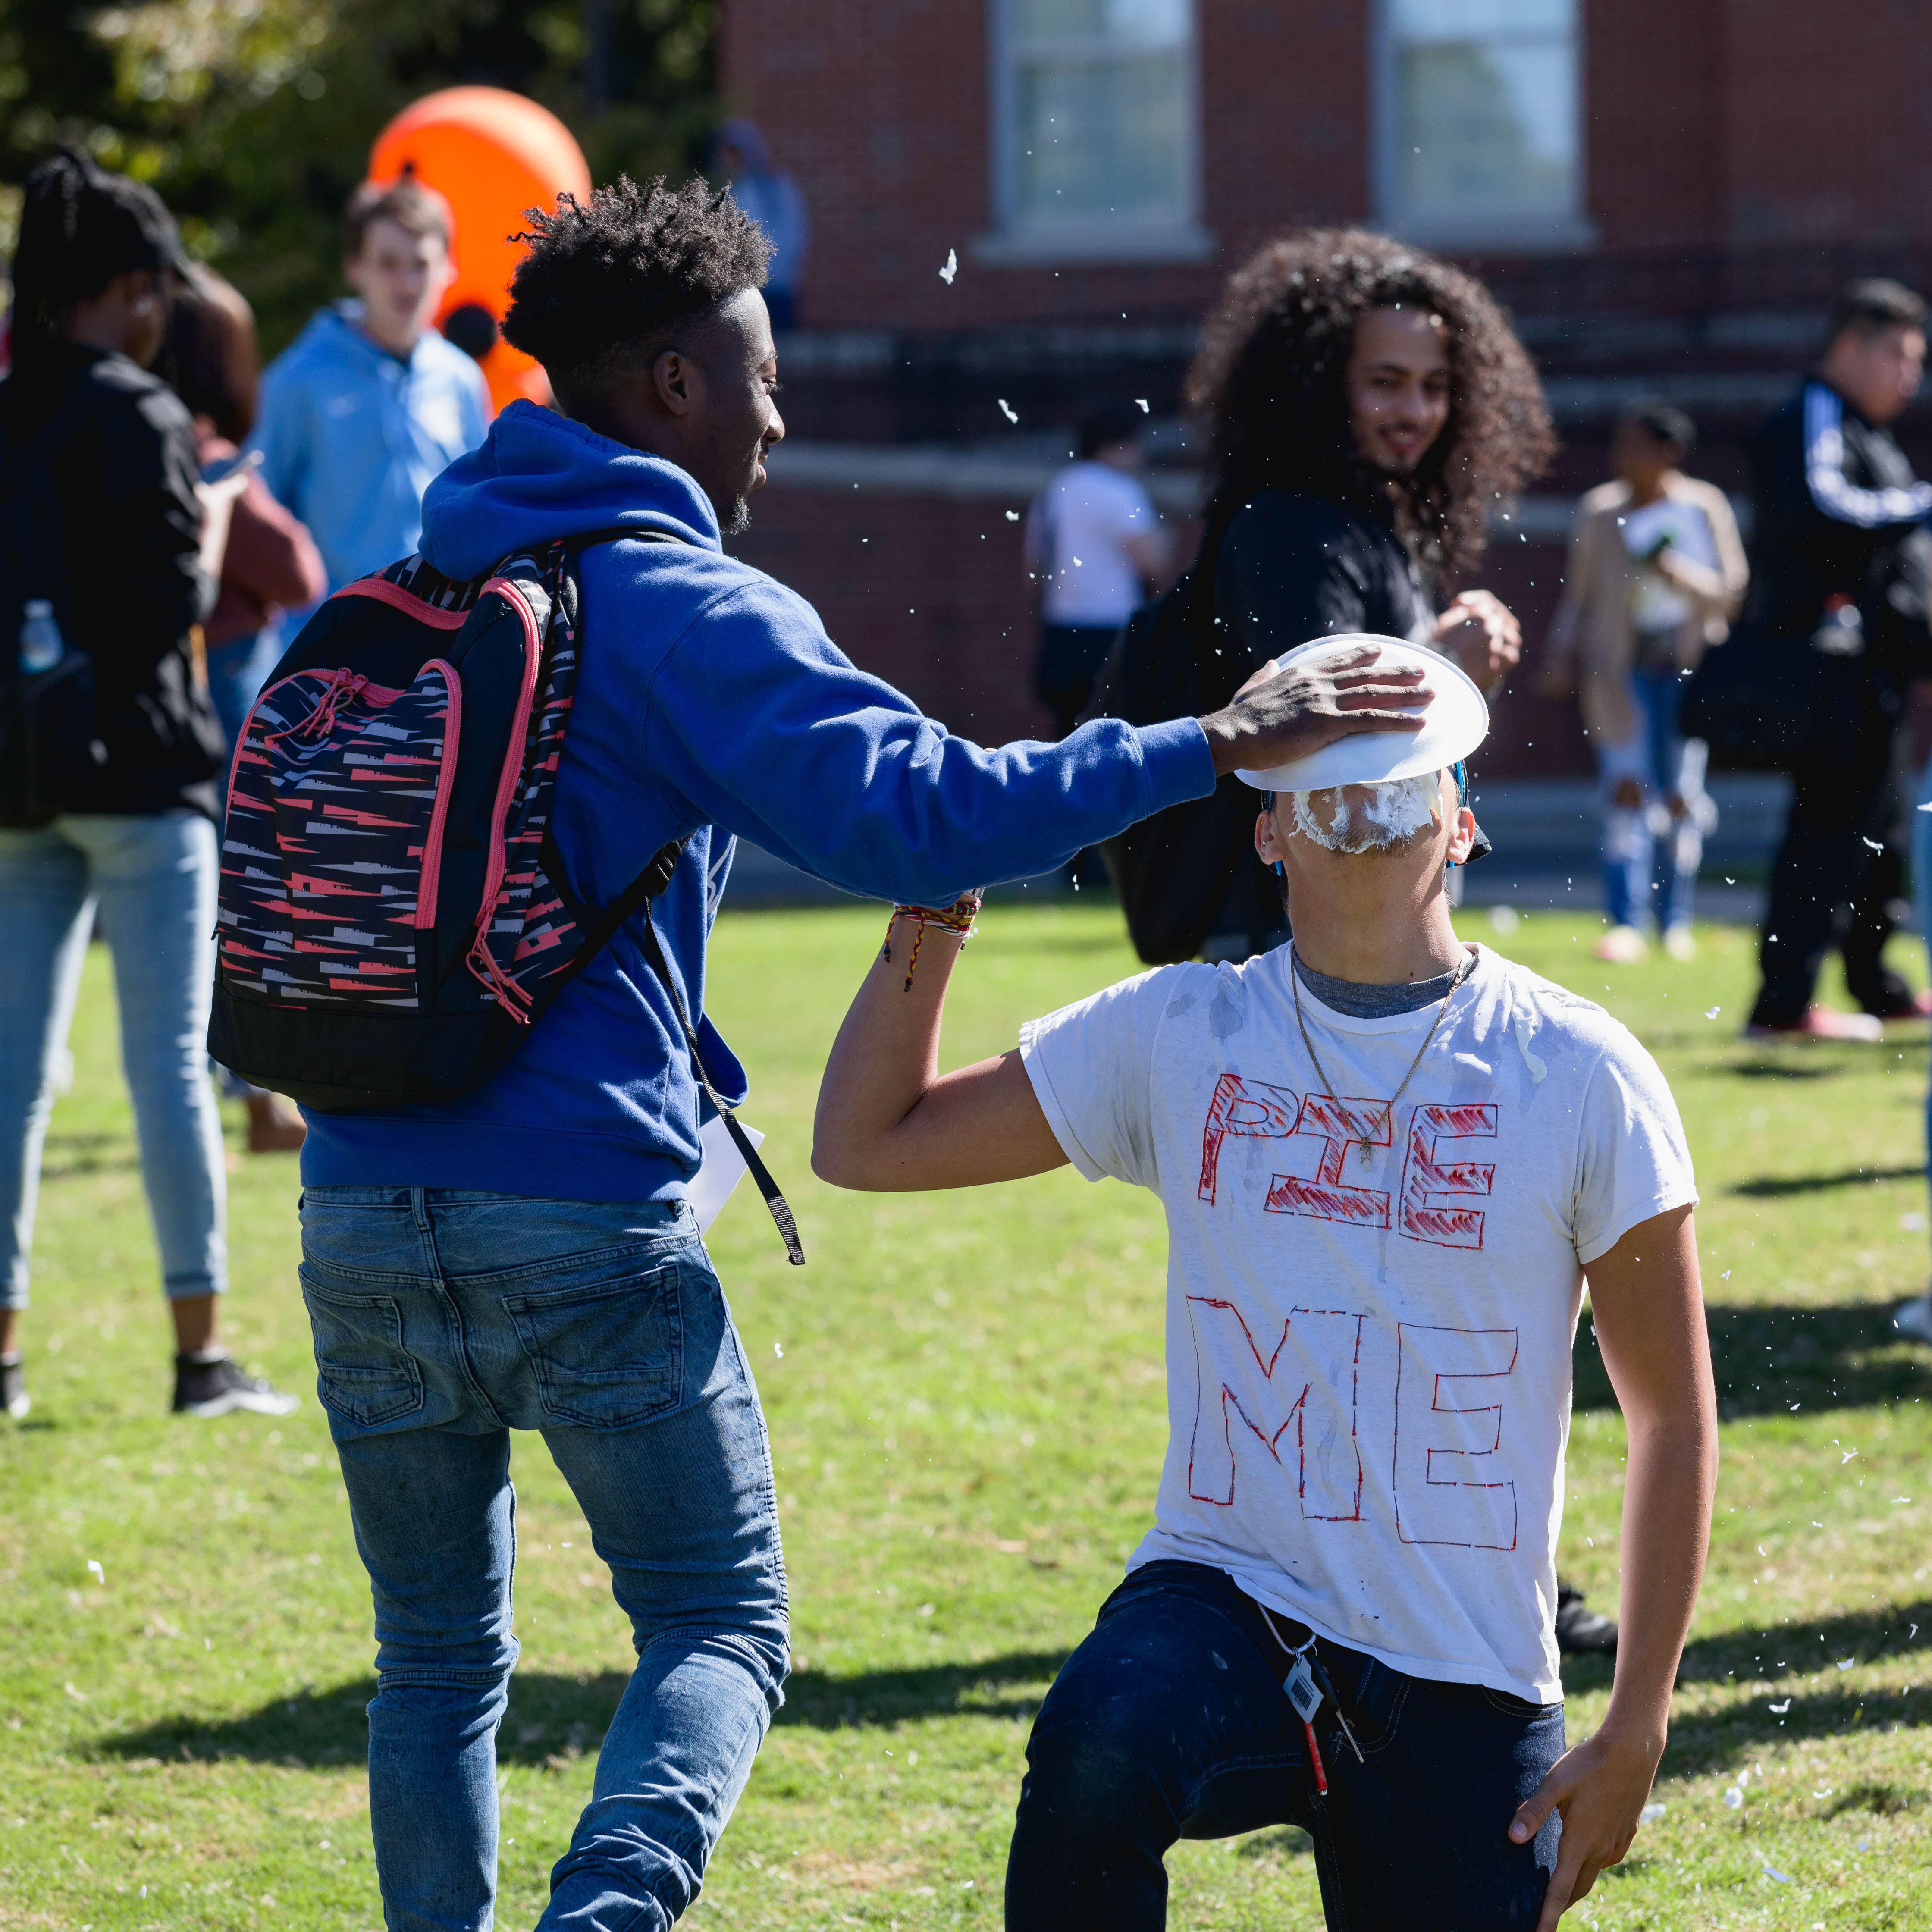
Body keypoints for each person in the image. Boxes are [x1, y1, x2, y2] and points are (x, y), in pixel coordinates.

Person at [291, 173, 1437, 1932]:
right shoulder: (678, 601)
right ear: (669, 386)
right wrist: (1213, 737)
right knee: (720, 1626)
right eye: (754, 377)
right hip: (574, 1217)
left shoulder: (415, 571)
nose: (774, 415)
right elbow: (922, 812)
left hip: (355, 1201)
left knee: (434, 1658)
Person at [812, 639, 1717, 1931]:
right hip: (1226, 1599)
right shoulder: (1180, 1031)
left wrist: (1636, 1719)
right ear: (1266, 835)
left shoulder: (1579, 1069)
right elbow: (862, 1139)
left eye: (1398, 793)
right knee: (1093, 1744)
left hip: (1460, 1662)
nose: (1361, 819)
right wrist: (935, 886)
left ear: (1459, 825)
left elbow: (1670, 1416)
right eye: (1323, 794)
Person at [0, 151, 296, 1423]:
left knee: (13, 1081)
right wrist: (220, 522)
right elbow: (174, 602)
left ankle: (5, 1362)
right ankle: (200, 1357)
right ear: (124, 286)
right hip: (147, 778)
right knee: (172, 1067)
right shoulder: (145, 414)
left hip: (19, 779)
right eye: (154, 290)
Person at [1178, 229, 1552, 960]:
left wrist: (1463, 673)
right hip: (1294, 938)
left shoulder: (1374, 522)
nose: (1415, 410)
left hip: (1360, 931)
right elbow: (1316, 731)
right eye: (1386, 382)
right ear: (1319, 385)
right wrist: (1448, 661)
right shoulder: (1292, 527)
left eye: (1435, 386)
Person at [162, 267, 326, 1154]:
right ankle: (258, 1096)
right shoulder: (208, 454)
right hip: (229, 703)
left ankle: (246, 1091)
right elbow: (297, 569)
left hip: (170, 703)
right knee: (249, 906)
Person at [1742, 278, 1932, 1040]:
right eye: (1900, 355)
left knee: (1879, 836)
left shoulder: (1864, 428)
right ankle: (1782, 1006)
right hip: (1829, 673)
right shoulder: (1812, 414)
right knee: (1827, 834)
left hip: (1875, 674)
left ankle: (1877, 985)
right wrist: (1924, 502)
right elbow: (1825, 508)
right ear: (1851, 345)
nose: (1910, 376)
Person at [1540, 401, 1747, 964]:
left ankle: (1674, 919)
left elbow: (1731, 590)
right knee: (1626, 791)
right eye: (1619, 446)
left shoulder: (1702, 507)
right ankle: (1626, 921)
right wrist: (1561, 651)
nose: (1622, 459)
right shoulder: (1600, 512)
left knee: (1682, 794)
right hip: (1619, 673)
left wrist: (1675, 570)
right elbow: (1579, 596)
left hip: (1688, 672)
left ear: (1668, 453)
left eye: (1635, 447)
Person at [251, 176, 490, 594]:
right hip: (325, 637)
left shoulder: (462, 378)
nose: (408, 283)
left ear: (448, 269)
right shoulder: (298, 377)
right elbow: (258, 509)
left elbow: (478, 507)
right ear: (354, 267)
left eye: (421, 264)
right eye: (388, 263)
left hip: (435, 633)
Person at [1024, 399, 1172, 738]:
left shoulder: (1053, 492)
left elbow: (1033, 572)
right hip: (1111, 630)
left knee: (1066, 738)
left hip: (1060, 632)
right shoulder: (1119, 490)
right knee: (1116, 739)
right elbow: (1152, 563)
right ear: (1117, 445)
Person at [709, 119, 809, 331]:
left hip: (776, 285)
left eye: (733, 154)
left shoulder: (775, 186)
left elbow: (795, 231)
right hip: (750, 287)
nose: (728, 160)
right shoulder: (735, 189)